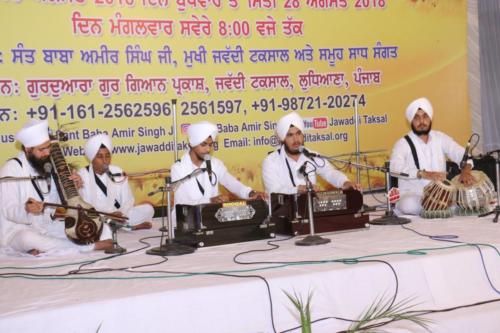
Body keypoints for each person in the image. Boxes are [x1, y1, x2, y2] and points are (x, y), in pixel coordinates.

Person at [0, 120, 112, 256]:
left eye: (48, 148)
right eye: (42, 150)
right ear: (28, 150)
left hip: (46, 227)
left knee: (104, 228)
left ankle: (46, 248)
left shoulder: (46, 165)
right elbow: (7, 211)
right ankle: (88, 247)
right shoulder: (11, 169)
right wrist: (27, 209)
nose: (47, 153)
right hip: (17, 230)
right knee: (27, 239)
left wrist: (74, 187)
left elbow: (55, 203)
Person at [389, 97, 474, 215]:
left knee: (469, 196)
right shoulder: (403, 143)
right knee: (408, 205)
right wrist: (423, 174)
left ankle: (439, 205)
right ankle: (439, 206)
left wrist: (466, 171)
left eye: (425, 116)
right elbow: (394, 168)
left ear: (430, 118)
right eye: (416, 118)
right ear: (411, 121)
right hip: (415, 195)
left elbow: (462, 154)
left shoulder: (440, 138)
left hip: (441, 193)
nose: (422, 122)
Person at [171, 121, 264, 211]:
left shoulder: (215, 164)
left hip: (210, 218)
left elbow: (231, 182)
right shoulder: (178, 168)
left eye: (211, 145)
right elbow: (181, 202)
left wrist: (250, 193)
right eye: (203, 144)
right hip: (184, 222)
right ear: (192, 144)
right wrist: (210, 200)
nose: (208, 149)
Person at [262, 112, 361, 194]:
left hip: (311, 211)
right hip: (283, 215)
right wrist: (299, 189)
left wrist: (345, 182)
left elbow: (329, 172)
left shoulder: (311, 155)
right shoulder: (271, 161)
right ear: (282, 139)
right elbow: (274, 190)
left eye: (298, 133)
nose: (296, 139)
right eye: (290, 135)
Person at [78, 134, 154, 231]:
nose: (105, 161)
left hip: (119, 215)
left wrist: (121, 214)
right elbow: (84, 206)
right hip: (98, 217)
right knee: (88, 220)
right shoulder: (82, 175)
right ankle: (127, 226)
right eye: (100, 157)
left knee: (148, 209)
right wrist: (108, 215)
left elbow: (128, 200)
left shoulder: (117, 171)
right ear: (92, 158)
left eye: (107, 156)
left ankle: (117, 225)